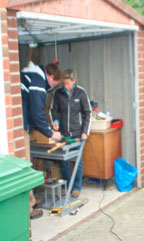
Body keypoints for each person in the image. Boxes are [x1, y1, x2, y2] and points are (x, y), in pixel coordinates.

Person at [20, 61, 62, 219]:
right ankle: (28, 209)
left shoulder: (33, 75)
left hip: (23, 124)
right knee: (24, 164)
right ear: (49, 75)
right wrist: (50, 133)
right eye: (54, 82)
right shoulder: (38, 79)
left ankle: (31, 200)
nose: (51, 86)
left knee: (27, 162)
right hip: (20, 125)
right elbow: (37, 112)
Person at [51, 69, 91, 198]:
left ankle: (76, 187)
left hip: (77, 134)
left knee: (77, 161)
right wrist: (55, 121)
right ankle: (67, 185)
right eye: (64, 83)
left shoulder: (81, 93)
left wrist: (85, 132)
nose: (66, 86)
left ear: (74, 81)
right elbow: (54, 110)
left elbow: (87, 113)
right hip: (63, 134)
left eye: (68, 83)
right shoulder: (58, 93)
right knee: (64, 162)